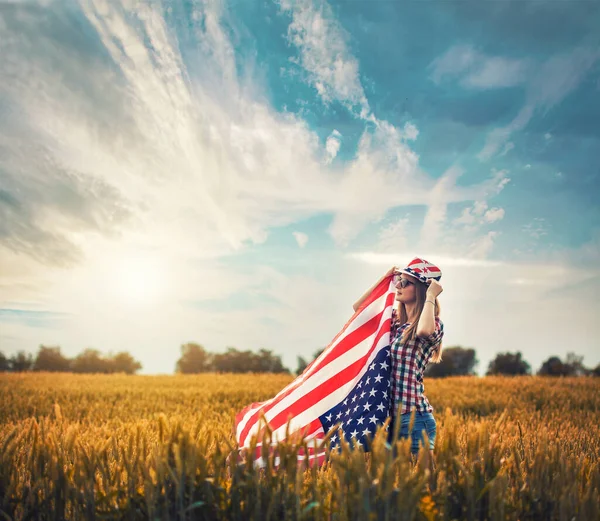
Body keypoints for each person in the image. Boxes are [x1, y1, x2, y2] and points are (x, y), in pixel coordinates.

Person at [352, 257, 444, 477]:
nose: (399, 286)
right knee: (395, 487)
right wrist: (384, 280)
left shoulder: (434, 324)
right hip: (388, 420)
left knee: (421, 486)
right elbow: (358, 310)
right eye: (398, 282)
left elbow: (423, 331)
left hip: (414, 418)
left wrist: (431, 295)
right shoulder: (393, 322)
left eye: (406, 282)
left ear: (421, 288)